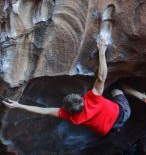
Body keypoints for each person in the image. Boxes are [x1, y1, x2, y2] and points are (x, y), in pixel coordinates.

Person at [2, 36, 131, 136]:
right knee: (116, 86)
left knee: (110, 105)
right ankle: (131, 91)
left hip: (109, 129)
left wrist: (18, 106)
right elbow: (102, 77)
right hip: (123, 113)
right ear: (82, 99)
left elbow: (44, 110)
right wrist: (102, 52)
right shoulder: (93, 99)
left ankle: (118, 127)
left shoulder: (70, 116)